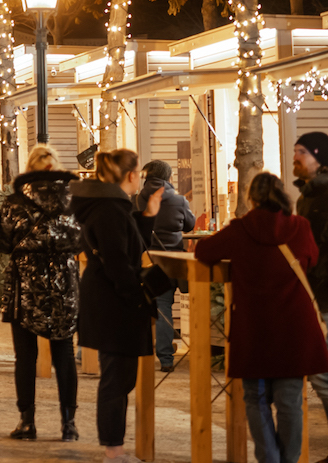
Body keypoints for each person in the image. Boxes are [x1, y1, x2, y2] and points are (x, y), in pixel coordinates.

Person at [196, 172, 328, 463]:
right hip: (295, 330)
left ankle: (269, 459)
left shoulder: (240, 229)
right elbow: (313, 258)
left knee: (255, 398)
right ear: (282, 195)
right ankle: (288, 460)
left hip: (254, 331)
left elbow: (204, 252)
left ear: (251, 198)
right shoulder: (300, 227)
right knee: (290, 401)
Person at [72, 147, 161, 460]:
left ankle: (115, 448)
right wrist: (138, 297)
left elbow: (130, 246)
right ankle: (114, 450)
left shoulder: (110, 205)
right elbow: (118, 262)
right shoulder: (109, 209)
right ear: (132, 175)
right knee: (116, 378)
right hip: (114, 303)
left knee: (121, 376)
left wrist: (147, 216)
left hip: (109, 300)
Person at [0, 144, 82, 442]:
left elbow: (2, 241)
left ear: (29, 168)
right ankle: (68, 424)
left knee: (25, 356)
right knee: (64, 353)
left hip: (26, 284)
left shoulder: (16, 201)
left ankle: (27, 422)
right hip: (63, 285)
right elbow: (83, 239)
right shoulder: (75, 200)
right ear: (56, 167)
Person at [135, 159, 195, 372]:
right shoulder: (178, 200)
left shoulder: (137, 200)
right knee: (187, 303)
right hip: (176, 261)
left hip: (150, 261)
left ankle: (165, 358)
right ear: (169, 177)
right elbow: (190, 225)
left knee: (161, 307)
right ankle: (191, 353)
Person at [292, 130, 328, 428]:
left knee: (321, 374)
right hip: (315, 292)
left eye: (301, 152)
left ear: (318, 157)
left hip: (325, 293)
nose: (296, 158)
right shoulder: (307, 196)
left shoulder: (323, 196)